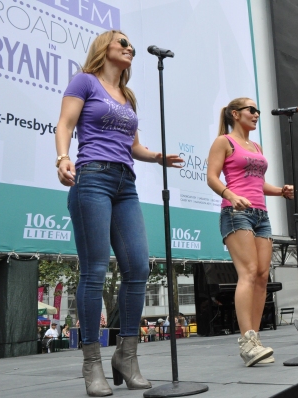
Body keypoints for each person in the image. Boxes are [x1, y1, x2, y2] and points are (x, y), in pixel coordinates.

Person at [55, 30, 182, 394]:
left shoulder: (128, 97)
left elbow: (134, 146)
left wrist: (157, 156)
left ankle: (127, 355)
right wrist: (64, 158)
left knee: (138, 267)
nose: (129, 48)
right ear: (104, 48)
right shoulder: (84, 81)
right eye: (123, 43)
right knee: (94, 270)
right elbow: (64, 125)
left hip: (126, 183)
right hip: (91, 177)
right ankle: (91, 362)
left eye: (131, 46)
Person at [207, 97, 294, 366]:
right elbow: (212, 177)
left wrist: (280, 191)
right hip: (236, 213)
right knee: (248, 271)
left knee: (262, 275)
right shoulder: (225, 141)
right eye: (251, 110)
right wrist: (231, 196)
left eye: (257, 110)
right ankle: (246, 340)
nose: (257, 114)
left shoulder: (256, 145)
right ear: (236, 114)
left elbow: (258, 184)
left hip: (261, 214)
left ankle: (254, 340)